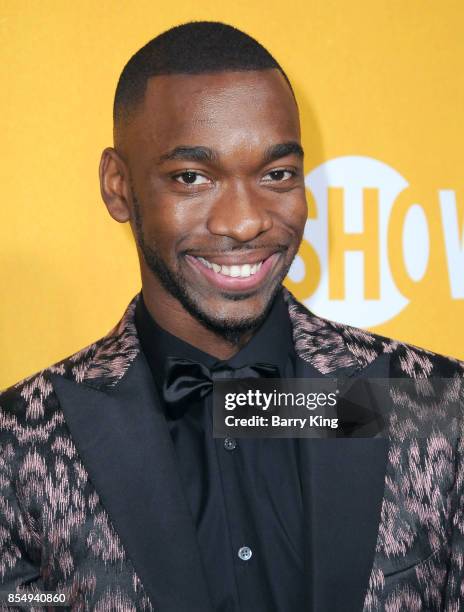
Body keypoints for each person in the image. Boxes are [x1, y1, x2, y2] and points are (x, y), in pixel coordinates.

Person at [0, 21, 463, 612]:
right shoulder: (20, 446)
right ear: (118, 186)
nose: (244, 222)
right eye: (192, 178)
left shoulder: (436, 409)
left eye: (276, 174)